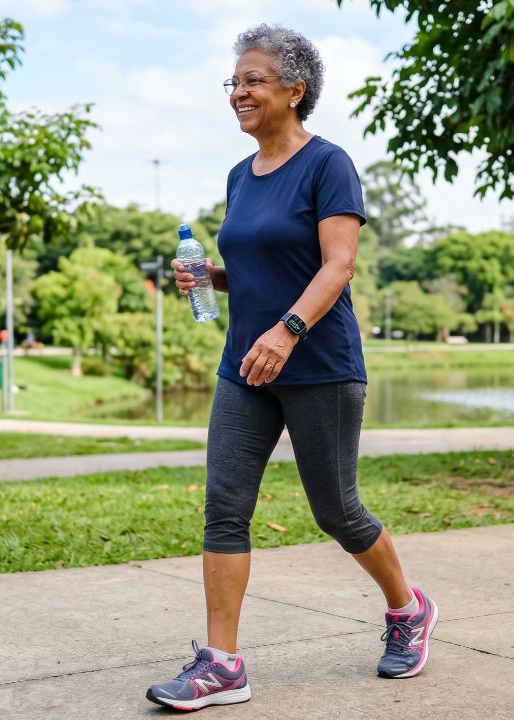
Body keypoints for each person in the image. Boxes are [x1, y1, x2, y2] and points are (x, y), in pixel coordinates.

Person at [146, 25, 436, 713]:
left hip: (321, 363)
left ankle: (408, 609)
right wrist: (209, 277)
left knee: (336, 509)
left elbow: (337, 265)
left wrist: (289, 330)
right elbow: (255, 268)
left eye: (252, 81)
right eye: (234, 82)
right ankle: (221, 665)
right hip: (245, 363)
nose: (238, 93)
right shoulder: (239, 177)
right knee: (225, 508)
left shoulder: (328, 164)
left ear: (295, 90)